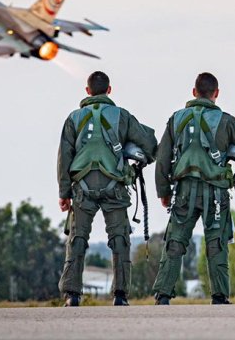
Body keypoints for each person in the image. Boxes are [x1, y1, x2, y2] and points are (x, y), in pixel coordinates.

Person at [152, 72, 235, 305]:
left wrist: (163, 192)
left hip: (183, 191)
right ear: (216, 94)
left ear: (194, 92)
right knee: (217, 243)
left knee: (175, 242)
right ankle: (220, 296)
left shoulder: (176, 119)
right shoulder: (226, 121)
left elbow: (162, 160)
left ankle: (163, 295)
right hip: (215, 194)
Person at [57, 71, 158, 307]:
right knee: (120, 239)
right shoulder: (122, 117)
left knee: (77, 239)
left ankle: (72, 295)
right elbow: (150, 145)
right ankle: (120, 296)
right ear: (109, 90)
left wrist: (64, 194)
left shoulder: (73, 118)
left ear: (87, 91)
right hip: (115, 188)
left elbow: (64, 158)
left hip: (81, 188)